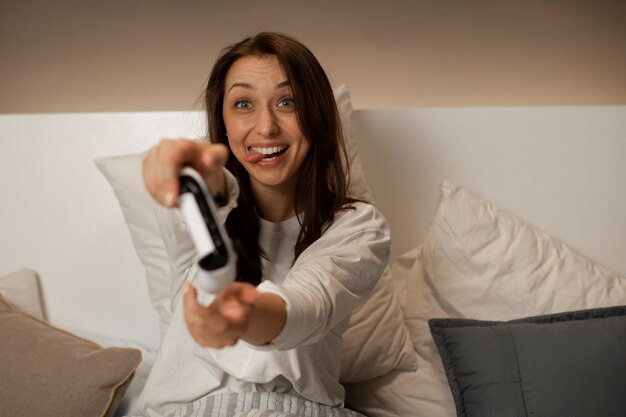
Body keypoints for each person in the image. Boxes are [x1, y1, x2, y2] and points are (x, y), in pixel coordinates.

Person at [135, 32, 390, 417]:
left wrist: (245, 317)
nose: (266, 127)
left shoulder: (358, 228)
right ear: (222, 121)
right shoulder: (197, 205)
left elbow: (307, 305)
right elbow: (206, 200)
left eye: (287, 102)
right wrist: (197, 179)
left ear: (317, 115)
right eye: (243, 104)